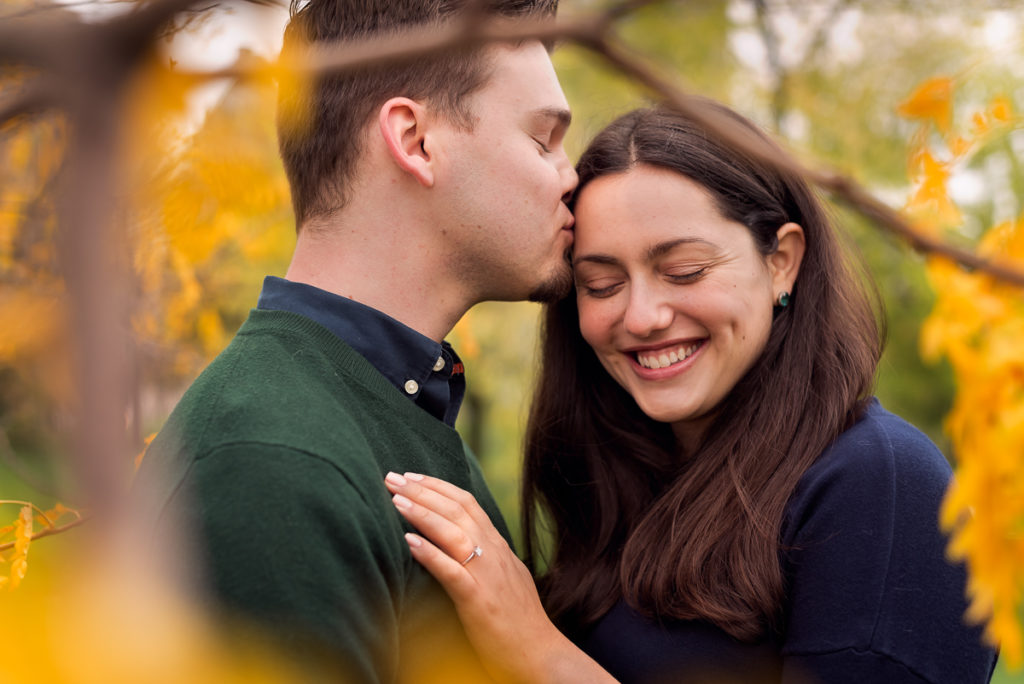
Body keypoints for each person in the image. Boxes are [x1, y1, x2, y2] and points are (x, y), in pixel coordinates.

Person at [384, 103, 999, 683]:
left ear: (782, 261)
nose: (643, 315)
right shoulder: (619, 485)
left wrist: (535, 649)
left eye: (684, 271)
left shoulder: (879, 485)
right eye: (601, 285)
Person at [134, 0, 581, 680]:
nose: (569, 175)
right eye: (544, 140)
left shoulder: (393, 404)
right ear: (416, 140)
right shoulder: (273, 458)